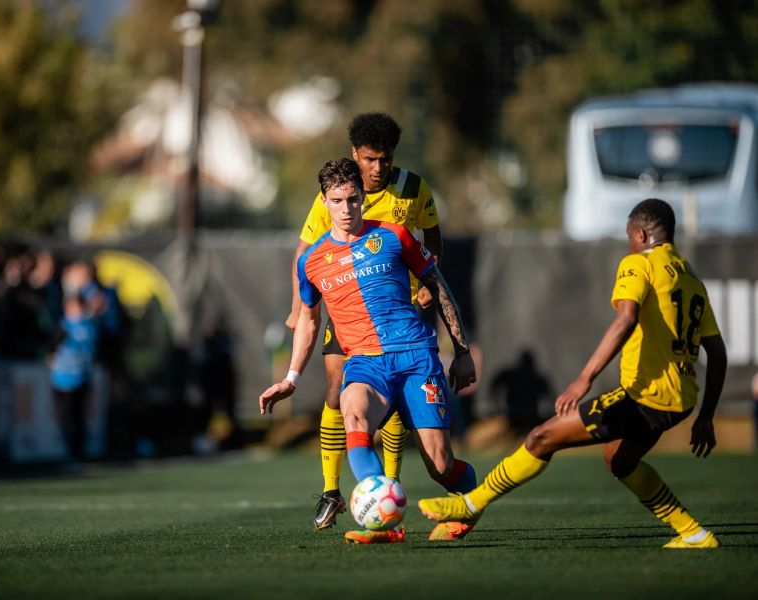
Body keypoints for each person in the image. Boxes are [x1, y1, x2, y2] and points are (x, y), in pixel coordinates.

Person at [418, 198, 728, 550]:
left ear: (641, 234)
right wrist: (705, 415)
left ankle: (469, 504)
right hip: (681, 401)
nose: (628, 243)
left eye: (629, 236)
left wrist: (585, 378)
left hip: (646, 396)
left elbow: (625, 320)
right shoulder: (689, 277)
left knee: (541, 438)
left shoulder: (640, 263)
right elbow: (717, 352)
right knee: (619, 458)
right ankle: (694, 533)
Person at [261, 158, 477, 544]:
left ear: (362, 198)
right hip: (364, 363)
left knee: (441, 467)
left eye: (353, 199)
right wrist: (291, 378)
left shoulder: (395, 236)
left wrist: (461, 351)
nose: (346, 209)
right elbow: (309, 321)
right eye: (337, 200)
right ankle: (385, 522)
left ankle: (473, 499)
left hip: (415, 358)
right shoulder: (310, 263)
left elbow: (438, 286)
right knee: (354, 416)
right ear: (323, 202)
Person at [285, 112, 443, 530]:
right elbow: (306, 251)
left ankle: (389, 486)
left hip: (402, 313)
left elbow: (432, 234)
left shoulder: (412, 187)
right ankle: (331, 490)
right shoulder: (339, 193)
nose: (378, 168)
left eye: (385, 159)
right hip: (348, 310)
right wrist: (299, 309)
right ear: (355, 155)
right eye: (370, 159)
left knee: (393, 409)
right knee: (338, 390)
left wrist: (431, 280)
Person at [49, 292, 98, 462]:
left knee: (75, 416)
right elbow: (51, 350)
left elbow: (89, 350)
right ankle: (70, 451)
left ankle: (77, 452)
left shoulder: (86, 327)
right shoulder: (62, 325)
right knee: (65, 416)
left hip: (79, 377)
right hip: (60, 377)